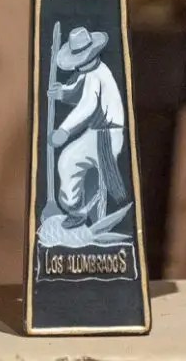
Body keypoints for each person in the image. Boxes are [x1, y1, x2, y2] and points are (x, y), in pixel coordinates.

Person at [47, 26, 127, 228]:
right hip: (99, 132)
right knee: (70, 162)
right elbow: (77, 90)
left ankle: (79, 212)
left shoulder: (96, 75)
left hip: (106, 134)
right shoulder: (92, 71)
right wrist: (62, 92)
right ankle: (82, 211)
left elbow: (86, 106)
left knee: (68, 161)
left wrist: (64, 131)